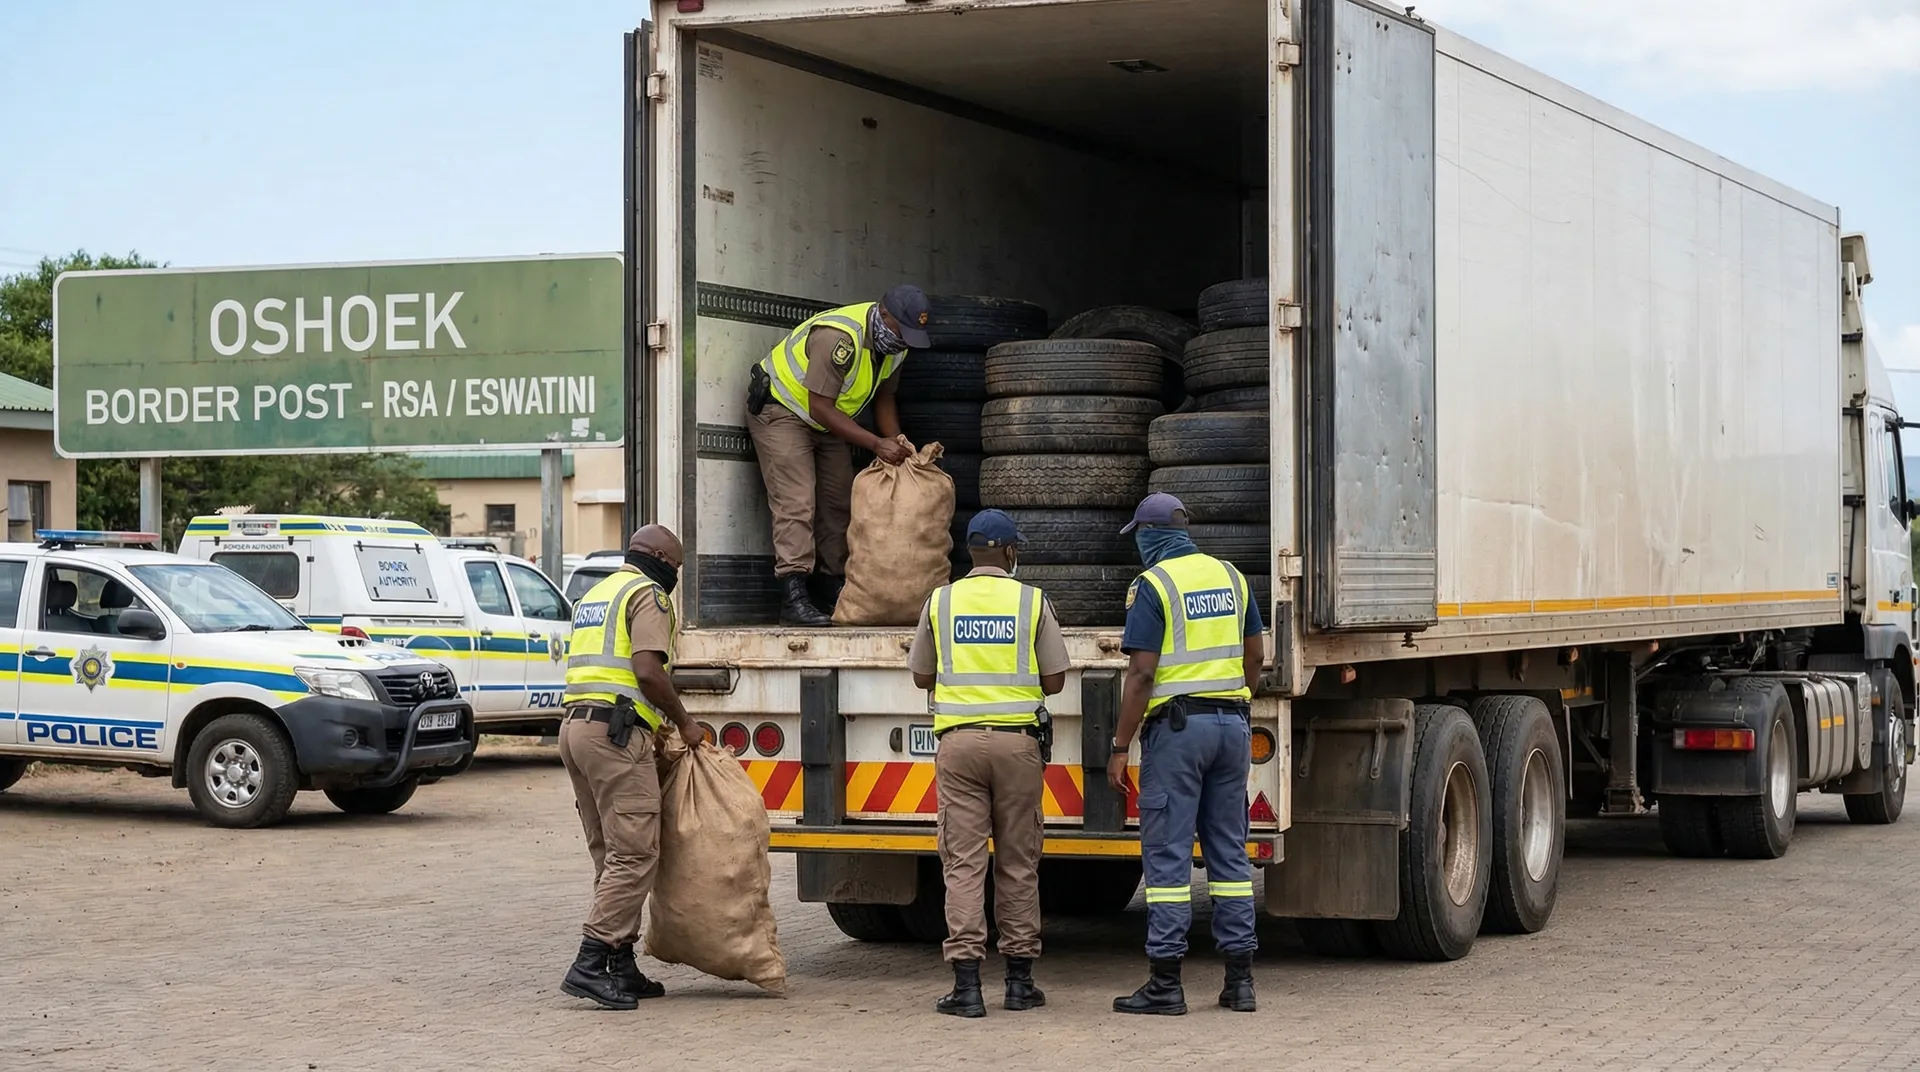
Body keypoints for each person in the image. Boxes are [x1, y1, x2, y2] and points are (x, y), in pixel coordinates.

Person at [1104, 493, 1264, 1016]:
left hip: (1178, 731)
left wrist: (1120, 744)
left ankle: (1166, 983)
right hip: (1231, 725)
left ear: (1150, 536)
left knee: (1169, 855)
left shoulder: (1153, 586)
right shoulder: (1232, 577)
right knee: (1229, 854)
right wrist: (1239, 701)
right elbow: (1255, 653)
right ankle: (1239, 982)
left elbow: (1142, 674)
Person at [906, 509, 1068, 1018]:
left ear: (970, 553)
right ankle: (1020, 983)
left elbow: (920, 675)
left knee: (963, 864)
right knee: (1019, 863)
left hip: (957, 746)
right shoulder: (1031, 600)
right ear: (1011, 553)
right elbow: (1057, 680)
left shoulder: (941, 600)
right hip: (1018, 747)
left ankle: (967, 987)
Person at [556, 524, 704, 1010]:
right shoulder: (647, 595)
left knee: (611, 852)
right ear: (660, 557)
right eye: (676, 567)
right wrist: (684, 723)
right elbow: (646, 669)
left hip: (577, 728)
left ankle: (620, 962)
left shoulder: (596, 594)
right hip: (616, 734)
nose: (675, 576)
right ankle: (591, 960)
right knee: (636, 852)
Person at [747, 284, 933, 626]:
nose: (904, 341)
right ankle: (794, 593)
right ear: (884, 313)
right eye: (901, 331)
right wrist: (876, 444)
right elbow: (819, 407)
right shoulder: (840, 338)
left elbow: (885, 398)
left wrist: (898, 442)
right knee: (797, 501)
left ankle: (828, 584)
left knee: (839, 499)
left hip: (827, 420)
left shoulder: (895, 346)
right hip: (784, 411)